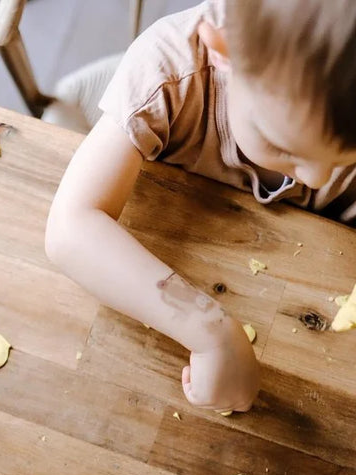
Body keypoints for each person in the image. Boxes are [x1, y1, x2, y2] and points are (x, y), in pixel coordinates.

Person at [45, 0, 356, 413]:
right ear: (222, 53)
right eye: (283, 145)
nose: (317, 178)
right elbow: (71, 230)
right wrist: (212, 333)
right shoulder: (166, 76)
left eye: (343, 158)